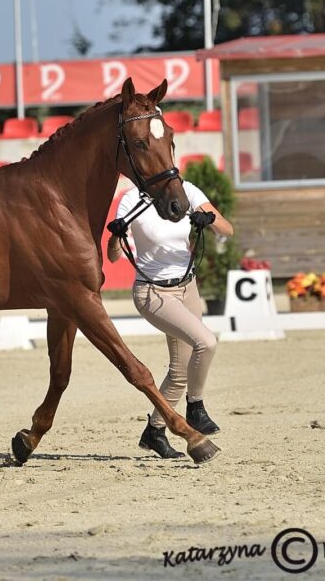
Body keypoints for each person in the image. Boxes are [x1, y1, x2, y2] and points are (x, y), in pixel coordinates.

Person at [107, 181, 234, 459]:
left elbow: (228, 229)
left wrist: (209, 219)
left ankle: (154, 431)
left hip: (188, 287)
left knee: (179, 371)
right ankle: (196, 408)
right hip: (153, 292)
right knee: (207, 343)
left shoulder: (187, 191)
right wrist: (116, 236)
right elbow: (114, 256)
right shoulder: (132, 200)